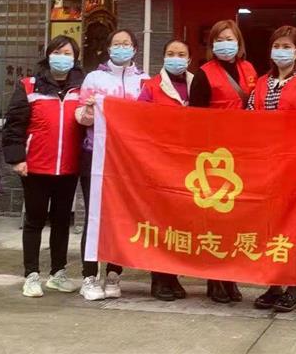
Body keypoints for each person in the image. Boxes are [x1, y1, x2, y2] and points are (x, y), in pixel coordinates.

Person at [2, 35, 85, 298]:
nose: (63, 57)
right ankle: (31, 275)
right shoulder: (29, 86)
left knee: (61, 222)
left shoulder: (82, 87)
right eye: (58, 52)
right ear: (48, 55)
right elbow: (14, 125)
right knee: (34, 221)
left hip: (69, 168)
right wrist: (17, 158)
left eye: (68, 53)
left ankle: (58, 273)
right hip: (35, 167)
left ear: (75, 58)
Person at [248, 25, 296, 313]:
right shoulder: (261, 82)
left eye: (286, 46)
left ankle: (293, 287)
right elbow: (248, 116)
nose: (280, 51)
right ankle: (273, 284)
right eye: (276, 46)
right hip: (264, 164)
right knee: (269, 226)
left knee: (293, 226)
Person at [75, 29, 149, 301]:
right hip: (95, 154)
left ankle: (114, 273)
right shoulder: (94, 78)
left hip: (128, 159)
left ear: (135, 48)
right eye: (116, 43)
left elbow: (149, 119)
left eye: (126, 43)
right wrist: (90, 110)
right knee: (95, 214)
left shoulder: (144, 81)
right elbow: (80, 117)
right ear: (108, 48)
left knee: (121, 215)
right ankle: (89, 276)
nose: (121, 47)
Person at [189, 19, 257, 304]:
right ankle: (214, 277)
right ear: (211, 44)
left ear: (238, 42)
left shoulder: (249, 69)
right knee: (215, 219)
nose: (224, 44)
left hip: (243, 152)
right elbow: (195, 119)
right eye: (219, 39)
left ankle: (231, 274)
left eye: (229, 39)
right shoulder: (203, 74)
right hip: (215, 158)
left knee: (237, 219)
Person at [138, 38, 194, 301]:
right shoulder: (151, 87)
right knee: (161, 221)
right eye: (171, 53)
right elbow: (137, 120)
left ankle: (173, 275)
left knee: (181, 222)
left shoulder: (197, 84)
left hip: (189, 164)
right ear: (163, 57)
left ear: (189, 59)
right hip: (160, 163)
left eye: (181, 54)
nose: (176, 58)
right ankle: (159, 277)